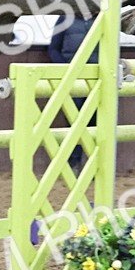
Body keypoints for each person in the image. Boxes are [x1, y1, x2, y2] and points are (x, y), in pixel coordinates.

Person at [48, 16, 98, 172]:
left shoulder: (103, 19)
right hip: (74, 81)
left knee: (97, 124)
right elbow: (53, 49)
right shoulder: (65, 18)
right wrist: (67, 70)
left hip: (98, 79)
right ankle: (72, 166)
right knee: (75, 123)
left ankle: (95, 167)